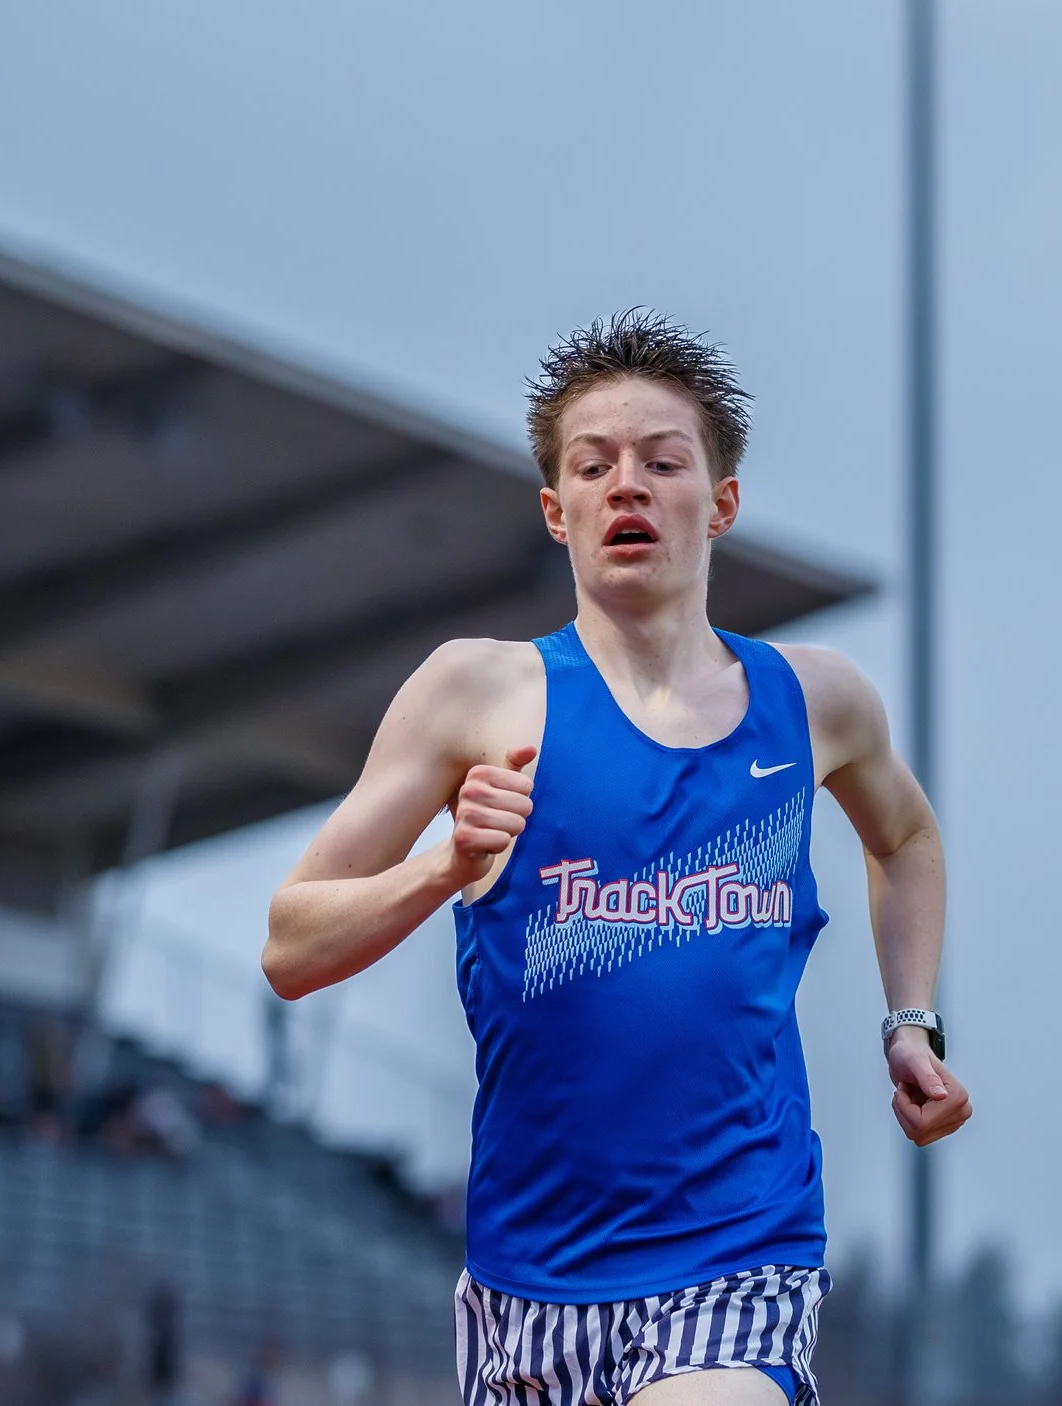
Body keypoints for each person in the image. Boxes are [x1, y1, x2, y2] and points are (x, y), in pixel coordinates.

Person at [265, 311, 972, 1405]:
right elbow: (288, 942)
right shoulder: (477, 693)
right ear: (558, 511)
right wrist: (442, 868)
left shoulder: (815, 701)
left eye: (661, 461)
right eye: (593, 467)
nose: (625, 486)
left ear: (720, 501)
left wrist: (909, 1019)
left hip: (740, 1247)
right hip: (531, 1279)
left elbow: (906, 836)